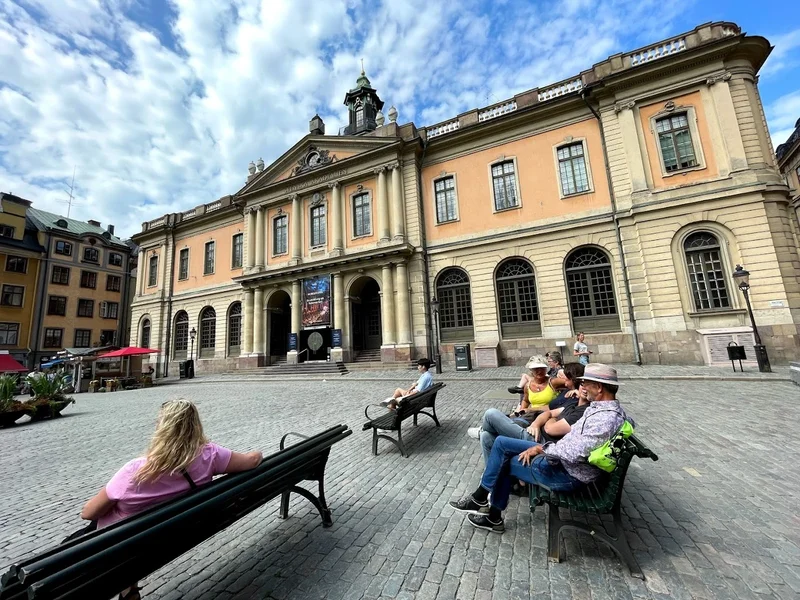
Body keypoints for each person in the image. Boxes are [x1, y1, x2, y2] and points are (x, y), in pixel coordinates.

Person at [80, 399, 262, 600]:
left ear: (162, 428)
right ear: (195, 426)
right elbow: (252, 460)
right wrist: (258, 453)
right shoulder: (210, 455)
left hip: (121, 546)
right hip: (176, 536)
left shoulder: (136, 470)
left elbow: (88, 513)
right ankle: (128, 590)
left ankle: (128, 590)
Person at [449, 364, 634, 533]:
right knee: (501, 443)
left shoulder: (604, 418)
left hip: (567, 472)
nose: (582, 386)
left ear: (599, 388)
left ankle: (491, 514)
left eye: (587, 383)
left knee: (504, 459)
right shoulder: (601, 410)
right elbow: (571, 439)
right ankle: (482, 499)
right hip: (561, 457)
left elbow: (574, 451)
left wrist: (541, 449)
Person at [467, 363, 585, 464]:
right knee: (486, 437)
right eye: (535, 369)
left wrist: (546, 418)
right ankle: (492, 483)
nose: (564, 381)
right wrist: (535, 418)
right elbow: (549, 410)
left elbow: (550, 427)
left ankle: (483, 429)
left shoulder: (577, 403)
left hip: (540, 440)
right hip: (534, 427)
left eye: (566, 378)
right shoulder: (569, 394)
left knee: (491, 413)